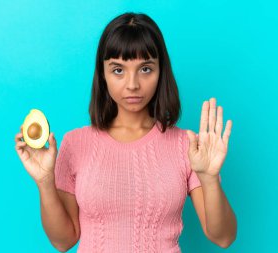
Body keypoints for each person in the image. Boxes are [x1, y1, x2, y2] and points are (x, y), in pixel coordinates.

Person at [15, 12, 237, 252]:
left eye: (145, 69)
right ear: (103, 74)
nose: (132, 84)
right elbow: (63, 241)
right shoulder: (76, 142)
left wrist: (210, 178)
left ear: (161, 71)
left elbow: (223, 237)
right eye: (118, 70)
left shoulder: (187, 145)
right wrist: (45, 182)